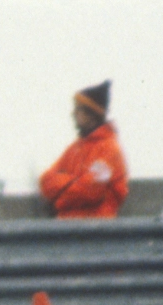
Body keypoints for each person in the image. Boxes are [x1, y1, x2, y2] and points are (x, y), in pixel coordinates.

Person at [40, 80, 129, 219]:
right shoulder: (74, 149)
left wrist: (59, 198)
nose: (73, 114)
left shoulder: (109, 149)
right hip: (67, 233)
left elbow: (91, 191)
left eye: (78, 109)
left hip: (96, 235)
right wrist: (75, 184)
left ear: (91, 114)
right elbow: (45, 181)